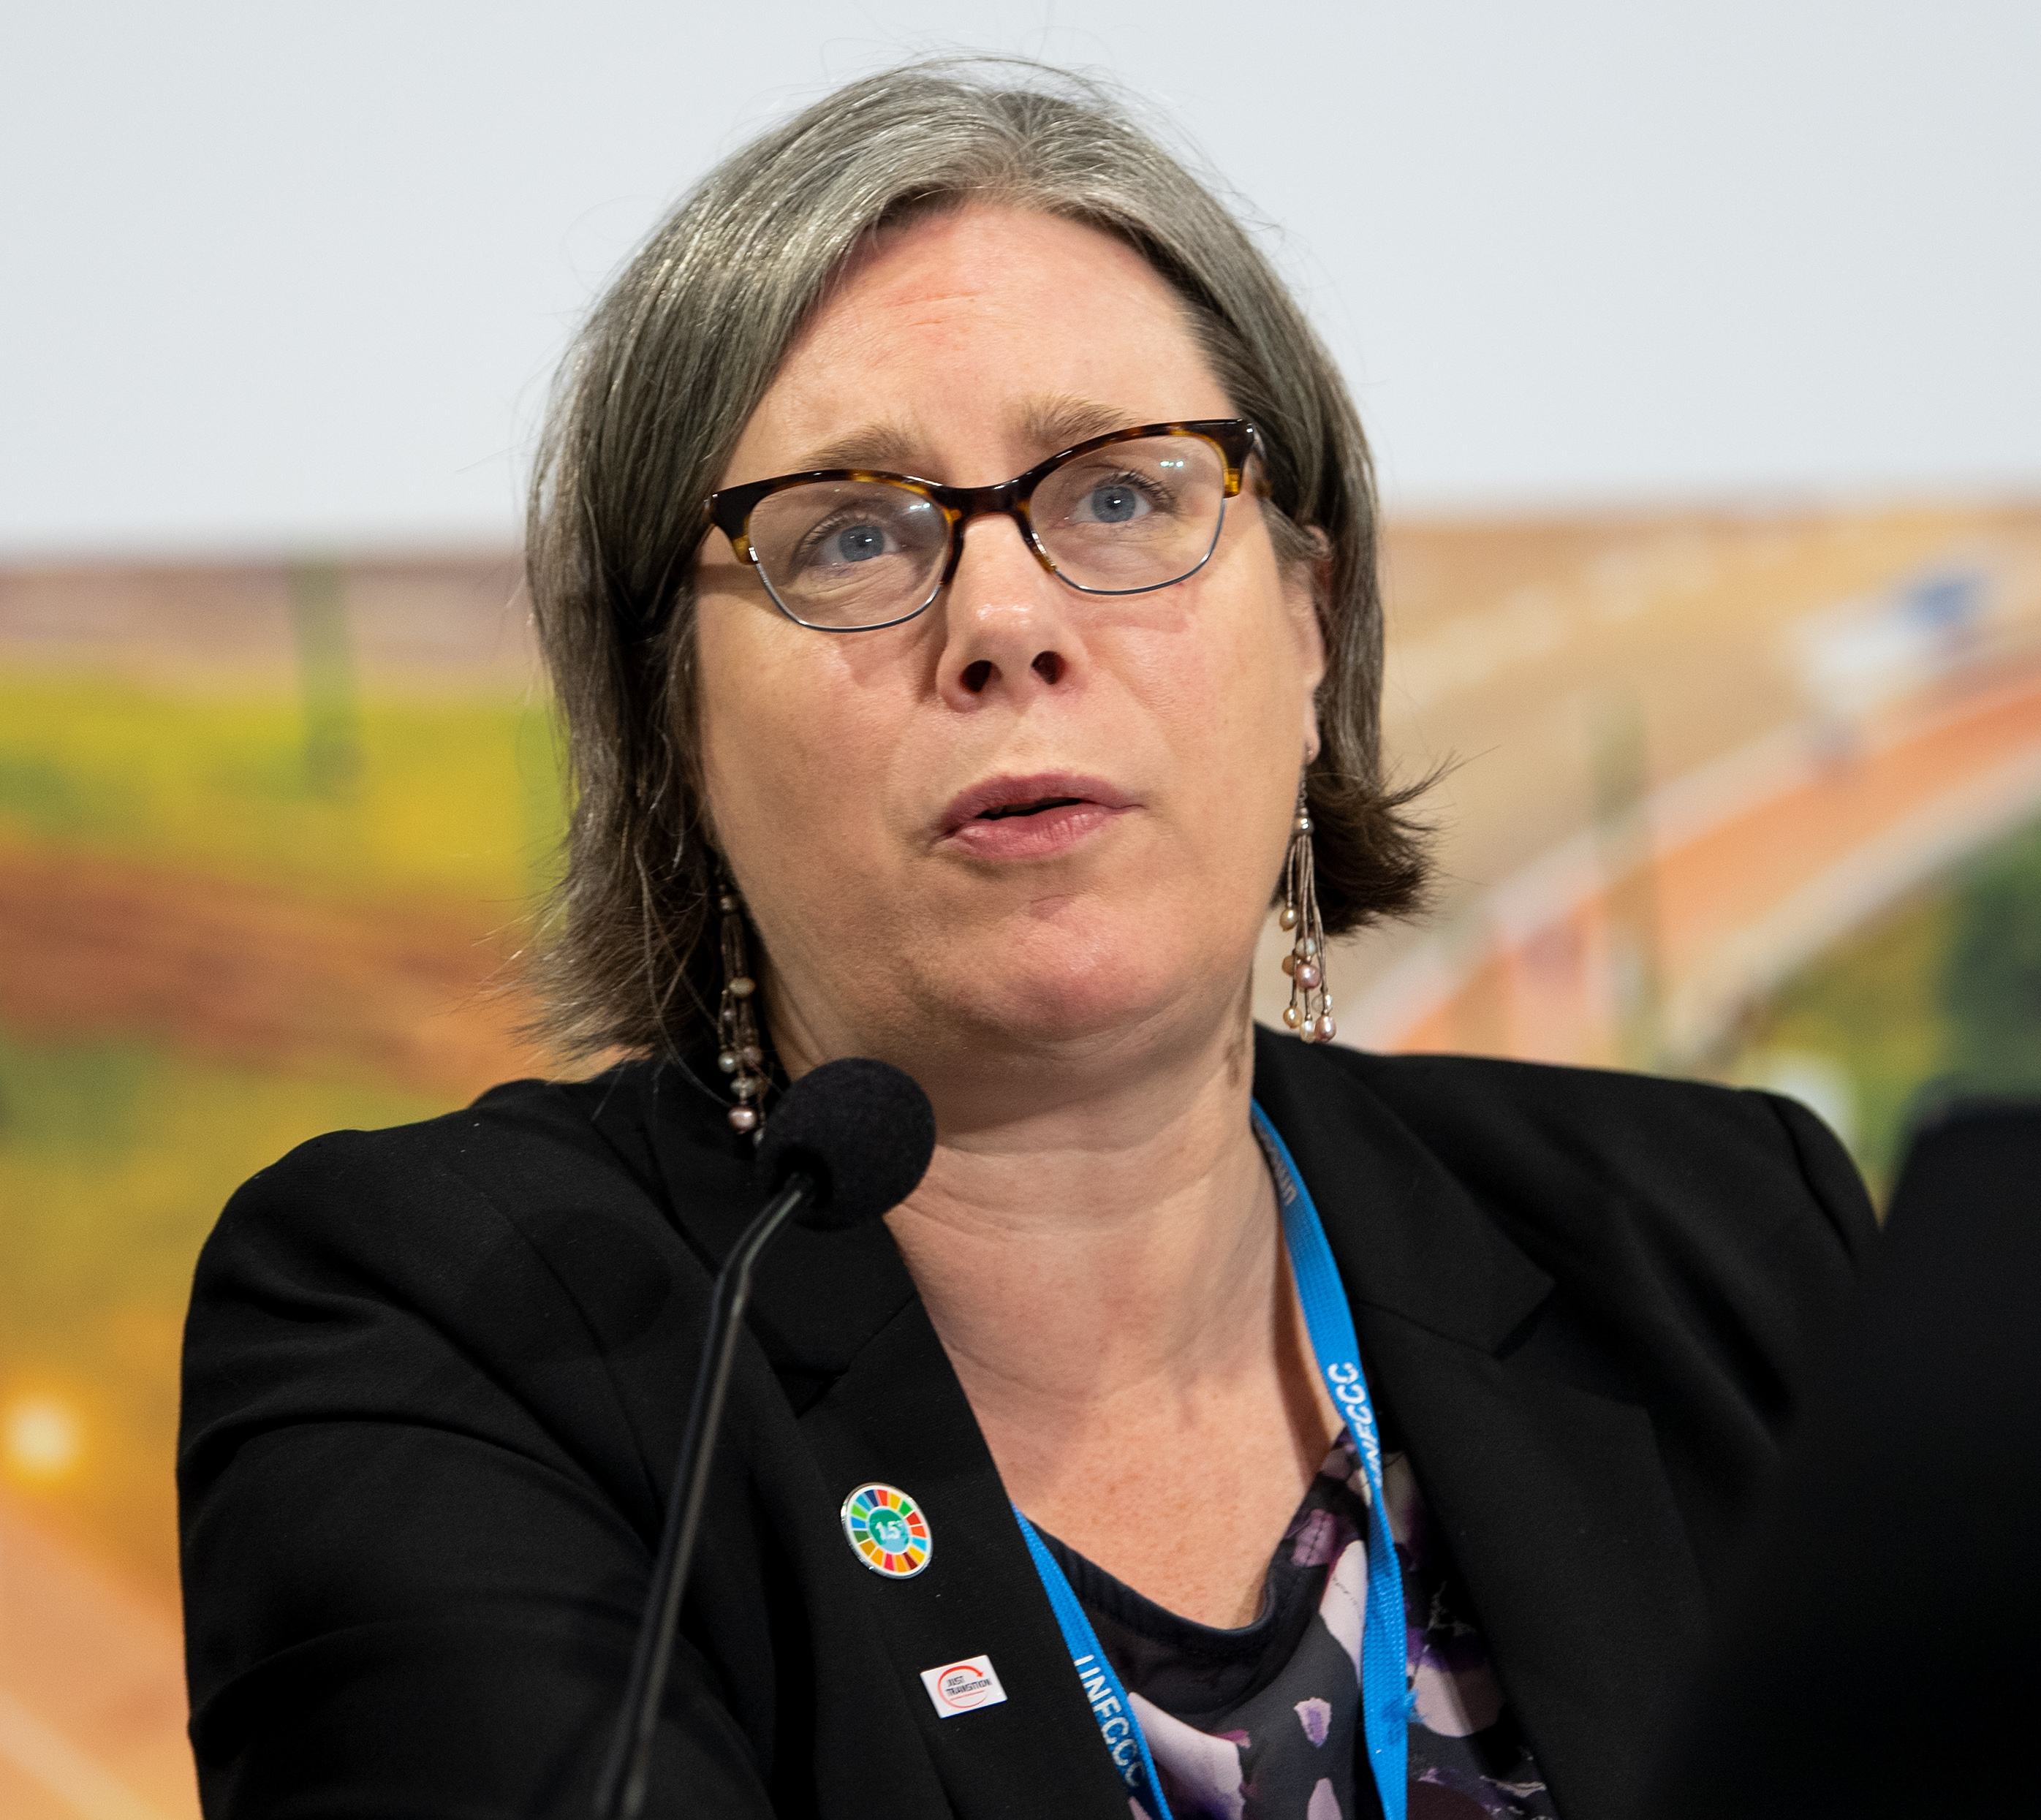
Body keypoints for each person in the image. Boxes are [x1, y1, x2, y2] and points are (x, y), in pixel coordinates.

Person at [178, 58, 1873, 1820]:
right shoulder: (450, 1322)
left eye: (1124, 499)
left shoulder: (1720, 1241)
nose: (1004, 623)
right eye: (846, 536)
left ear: (1314, 619)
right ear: (665, 721)